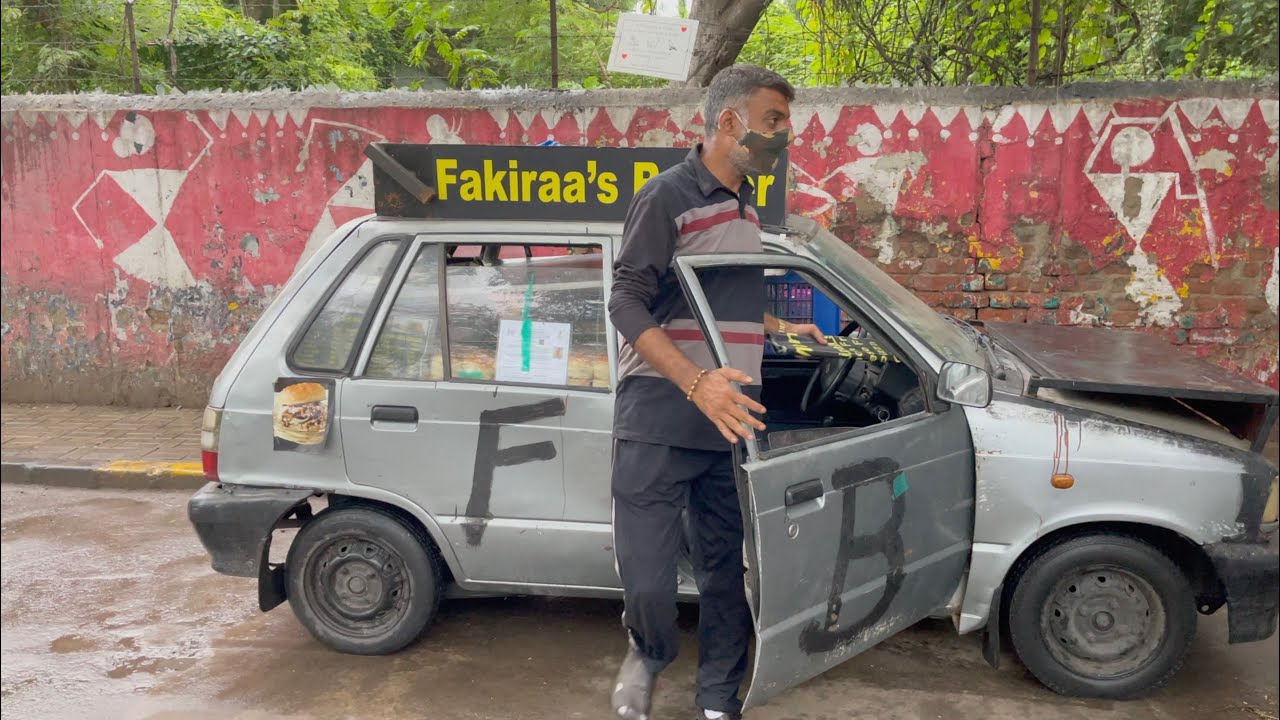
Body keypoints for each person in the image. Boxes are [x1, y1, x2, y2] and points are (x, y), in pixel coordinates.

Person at [606, 64, 827, 720]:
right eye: (773, 122)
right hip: (658, 409)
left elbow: (717, 296)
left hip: (730, 418)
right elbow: (626, 300)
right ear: (728, 122)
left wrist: (782, 325)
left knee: (724, 576)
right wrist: (696, 381)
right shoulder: (667, 196)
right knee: (647, 577)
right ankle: (647, 649)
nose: (785, 137)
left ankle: (716, 702)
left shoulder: (746, 205)